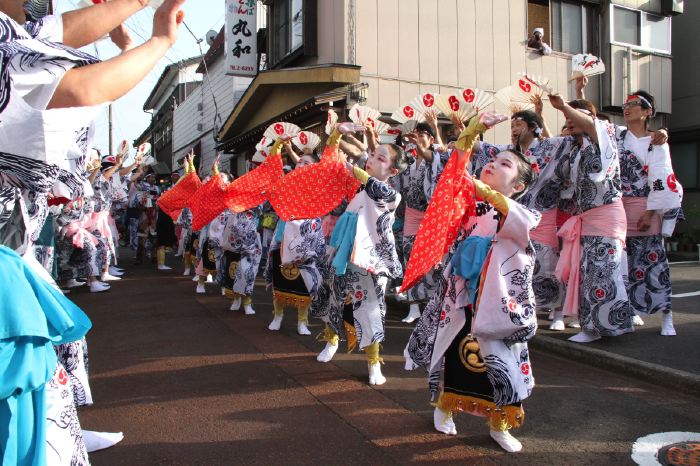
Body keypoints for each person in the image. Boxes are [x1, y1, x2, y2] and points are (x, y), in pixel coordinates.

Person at [405, 114, 539, 453]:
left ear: (518, 186)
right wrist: (472, 130)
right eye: (492, 160)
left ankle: (500, 424)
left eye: (504, 164)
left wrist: (474, 184)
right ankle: (444, 407)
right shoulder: (470, 204)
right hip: (463, 295)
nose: (493, 164)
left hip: (497, 304)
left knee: (502, 366)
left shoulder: (520, 213)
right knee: (454, 353)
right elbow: (453, 175)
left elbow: (508, 214)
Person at [315, 126, 409, 385]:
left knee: (369, 309)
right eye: (373, 155)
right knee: (333, 295)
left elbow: (376, 188)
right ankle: (331, 339)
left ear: (393, 171)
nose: (372, 160)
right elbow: (331, 165)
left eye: (381, 158)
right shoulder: (359, 188)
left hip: (369, 260)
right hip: (342, 252)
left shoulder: (391, 195)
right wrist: (335, 135)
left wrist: (352, 168)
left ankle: (373, 362)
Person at [616, 91, 682, 334]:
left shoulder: (656, 142)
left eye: (634, 105)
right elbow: (593, 122)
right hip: (621, 208)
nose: (627, 108)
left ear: (647, 112)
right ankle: (631, 310)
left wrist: (652, 211)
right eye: (626, 105)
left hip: (646, 207)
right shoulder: (617, 137)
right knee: (627, 263)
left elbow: (661, 178)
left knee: (654, 263)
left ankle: (667, 316)